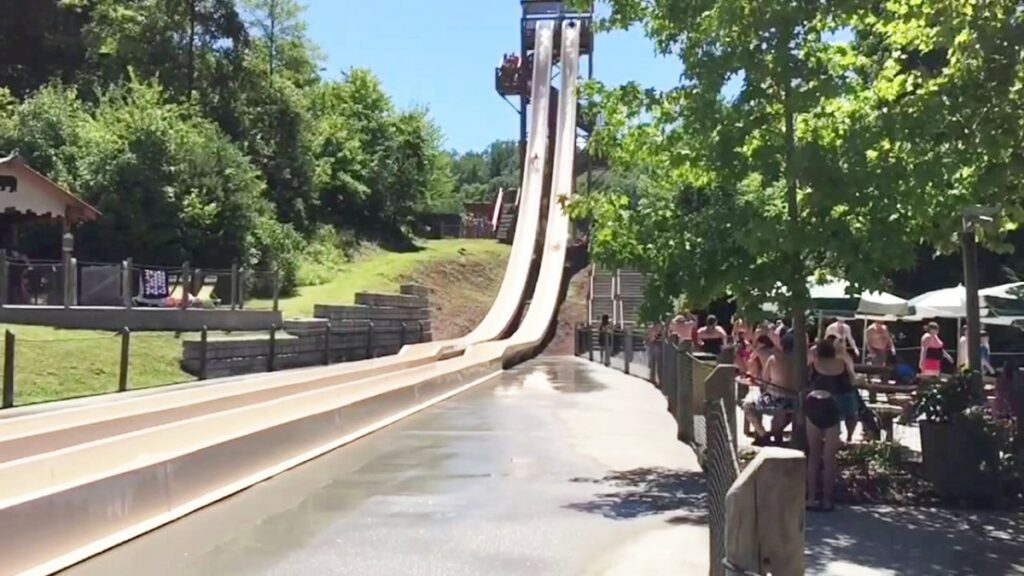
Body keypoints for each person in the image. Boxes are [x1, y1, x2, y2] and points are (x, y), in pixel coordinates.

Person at [805, 339, 856, 512]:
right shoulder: (841, 364)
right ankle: (827, 500)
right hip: (832, 407)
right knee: (829, 458)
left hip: (813, 405)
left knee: (813, 455)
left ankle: (811, 498)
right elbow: (851, 382)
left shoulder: (813, 364)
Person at [743, 333, 799, 446]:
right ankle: (775, 434)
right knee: (785, 413)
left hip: (775, 399)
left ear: (782, 345)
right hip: (794, 400)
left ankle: (763, 435)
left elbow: (764, 380)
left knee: (748, 405)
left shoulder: (773, 358)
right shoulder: (801, 361)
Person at [646, 320, 664, 386]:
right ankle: (655, 379)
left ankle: (655, 379)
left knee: (656, 364)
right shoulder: (657, 329)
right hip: (655, 346)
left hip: (656, 345)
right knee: (655, 363)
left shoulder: (656, 329)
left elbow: (650, 337)